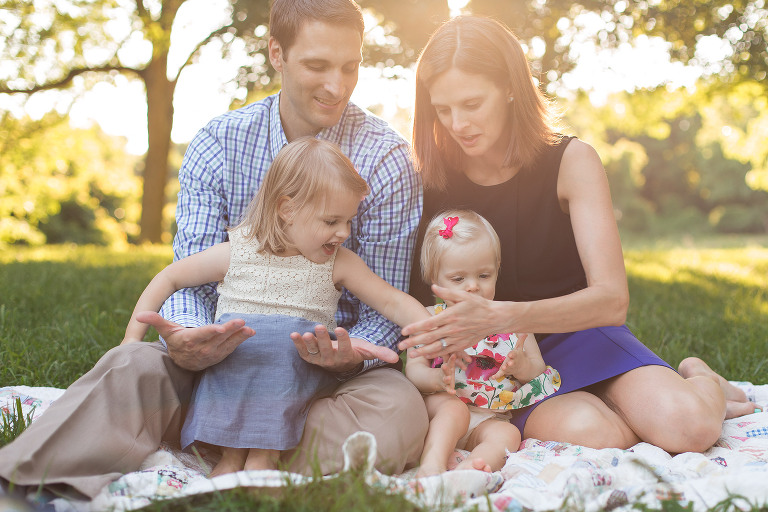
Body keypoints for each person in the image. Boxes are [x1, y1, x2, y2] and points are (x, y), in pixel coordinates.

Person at [0, 0, 427, 498]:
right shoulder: (218, 144)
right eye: (317, 66)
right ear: (276, 54)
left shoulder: (387, 159)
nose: (337, 85)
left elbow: (387, 301)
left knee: (398, 410)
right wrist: (187, 339)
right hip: (218, 369)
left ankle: (229, 447)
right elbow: (187, 275)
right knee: (127, 367)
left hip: (328, 384)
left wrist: (347, 357)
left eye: (350, 67)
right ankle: (25, 482)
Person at [398, 15, 760, 455]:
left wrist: (505, 317)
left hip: (579, 333)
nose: (457, 123)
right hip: (506, 367)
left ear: (510, 88)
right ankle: (629, 409)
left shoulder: (571, 160)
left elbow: (612, 301)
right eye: (443, 109)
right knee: (596, 435)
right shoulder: (426, 180)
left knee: (690, 428)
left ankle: (702, 379)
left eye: (472, 104)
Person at [123, 138, 432, 476]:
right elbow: (169, 278)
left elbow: (391, 300)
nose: (343, 232)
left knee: (283, 340)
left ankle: (263, 458)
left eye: (349, 221)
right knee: (247, 339)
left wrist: (435, 333)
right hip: (234, 376)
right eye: (331, 221)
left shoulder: (339, 264)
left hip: (298, 374)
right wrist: (131, 338)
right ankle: (231, 458)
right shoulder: (237, 251)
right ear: (288, 210)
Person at [405, 210, 561, 476]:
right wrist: (436, 379)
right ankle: (432, 465)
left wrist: (522, 366)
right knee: (454, 412)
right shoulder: (429, 319)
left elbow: (538, 370)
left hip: (489, 415)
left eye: (484, 276)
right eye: (458, 279)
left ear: (497, 270)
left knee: (508, 433)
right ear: (434, 278)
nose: (473, 287)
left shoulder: (513, 320)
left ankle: (473, 468)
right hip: (442, 406)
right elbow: (413, 370)